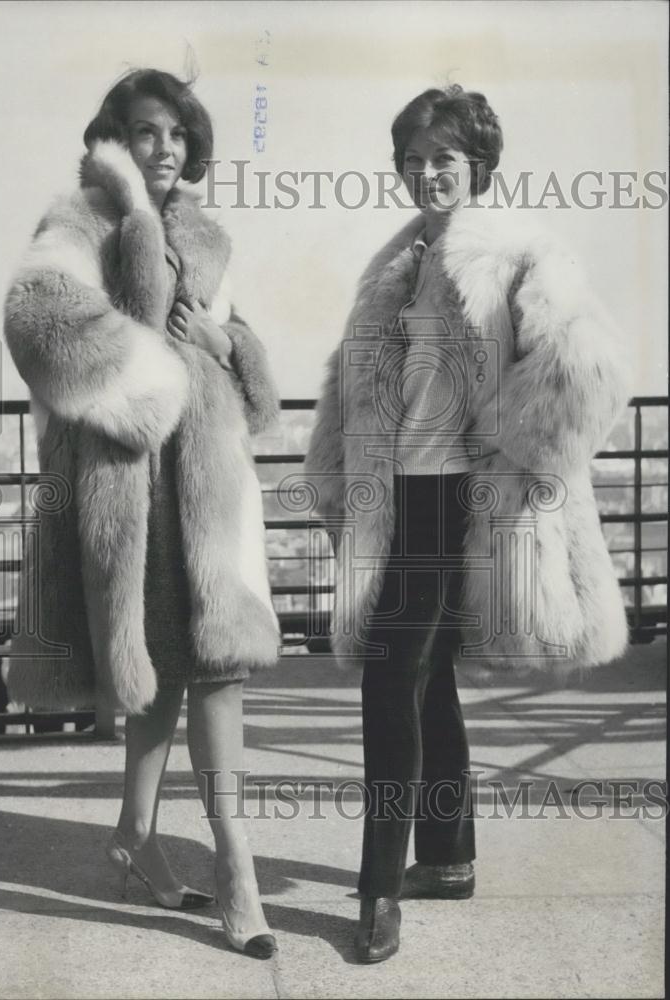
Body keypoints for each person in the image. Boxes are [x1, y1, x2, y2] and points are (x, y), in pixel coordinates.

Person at [304, 84, 630, 963]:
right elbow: (355, 391)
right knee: (426, 672)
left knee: (389, 674)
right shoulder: (396, 262)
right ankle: (447, 860)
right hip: (400, 494)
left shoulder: (522, 251)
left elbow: (588, 371)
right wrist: (343, 480)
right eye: (413, 160)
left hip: (464, 496)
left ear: (477, 163)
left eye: (444, 157)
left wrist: (513, 453)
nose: (427, 173)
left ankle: (377, 893)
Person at [4, 68, 281, 960]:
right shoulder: (81, 218)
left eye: (177, 134)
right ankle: (170, 841)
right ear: (116, 138)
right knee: (161, 658)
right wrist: (153, 374)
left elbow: (239, 360)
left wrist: (225, 345)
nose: (165, 150)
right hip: (131, 478)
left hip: (206, 482)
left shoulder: (204, 236)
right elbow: (37, 323)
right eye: (147, 132)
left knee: (217, 664)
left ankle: (208, 851)